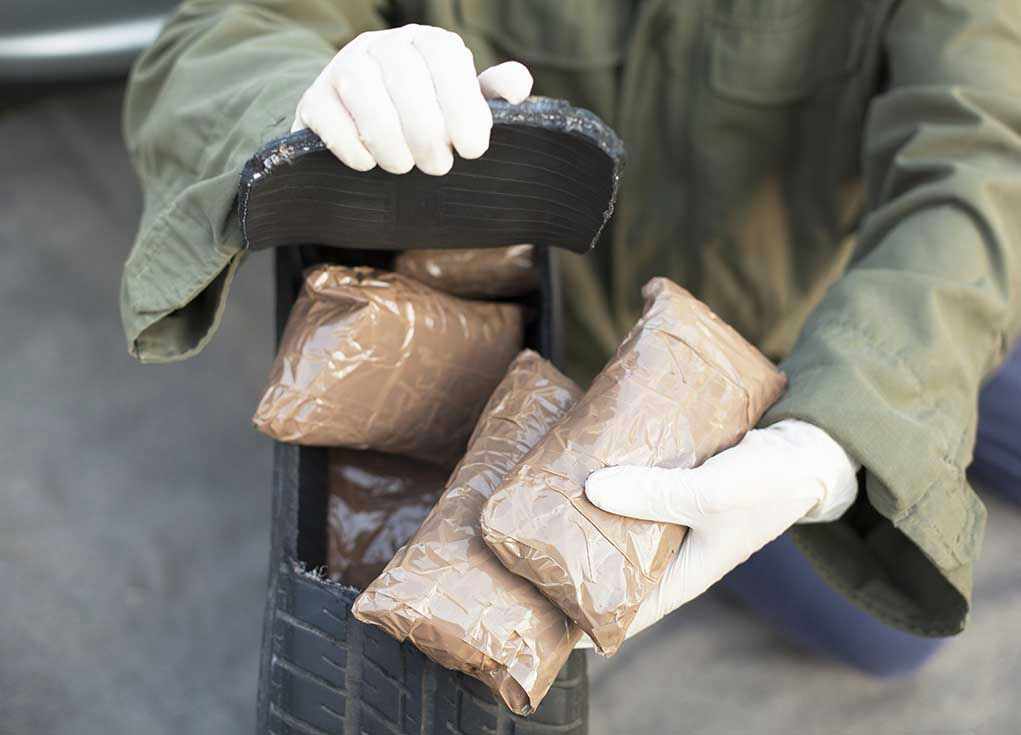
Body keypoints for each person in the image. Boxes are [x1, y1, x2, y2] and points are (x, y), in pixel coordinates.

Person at [121, 1, 1021, 676]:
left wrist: (838, 436)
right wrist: (313, 93)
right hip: (569, 367)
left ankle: (909, 389)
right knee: (884, 631)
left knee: (913, 410)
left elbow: (982, 149)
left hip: (807, 321)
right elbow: (223, 33)